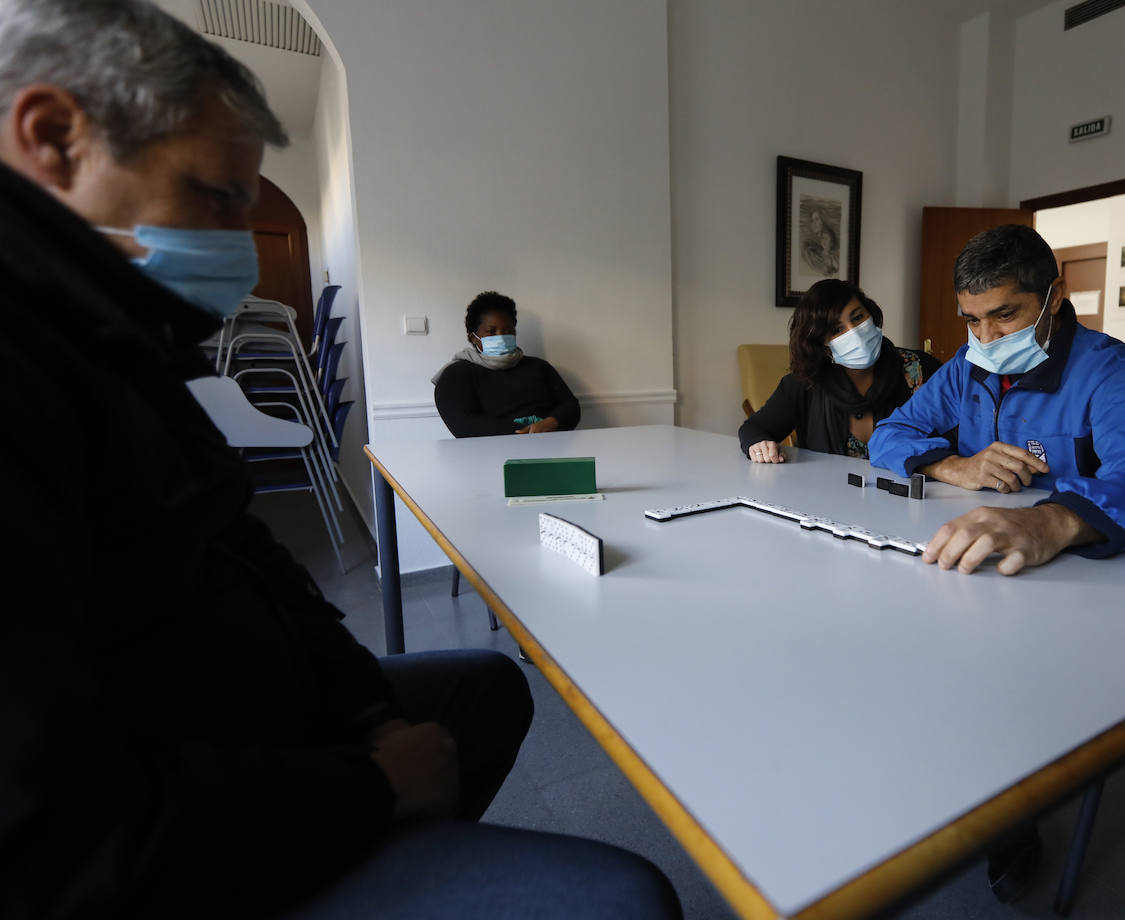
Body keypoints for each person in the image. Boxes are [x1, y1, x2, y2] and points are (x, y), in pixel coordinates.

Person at [0, 3, 679, 918]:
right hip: (153, 812)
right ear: (53, 139)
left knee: (483, 690)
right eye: (214, 196)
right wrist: (371, 788)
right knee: (623, 898)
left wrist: (368, 713)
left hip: (243, 724)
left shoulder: (124, 342)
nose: (239, 248)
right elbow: (47, 834)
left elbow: (251, 557)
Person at [869, 223, 1125, 577]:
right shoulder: (965, 368)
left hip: (1079, 570)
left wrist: (1051, 523)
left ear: (1054, 296)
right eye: (972, 320)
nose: (986, 338)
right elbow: (888, 435)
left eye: (1005, 315)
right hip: (977, 554)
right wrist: (952, 466)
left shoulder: (1114, 372)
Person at [739, 279, 940, 462]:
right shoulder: (805, 384)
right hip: (829, 498)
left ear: (871, 314)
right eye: (837, 330)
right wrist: (760, 445)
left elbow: (960, 436)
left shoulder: (921, 369)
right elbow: (753, 429)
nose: (854, 332)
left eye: (858, 317)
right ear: (821, 343)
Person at [433, 291, 581, 438]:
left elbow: (571, 406)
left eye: (508, 331)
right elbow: (464, 425)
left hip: (551, 449)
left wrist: (552, 422)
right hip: (491, 457)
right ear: (474, 338)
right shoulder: (457, 374)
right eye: (492, 331)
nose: (502, 337)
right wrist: (524, 432)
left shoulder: (539, 367)